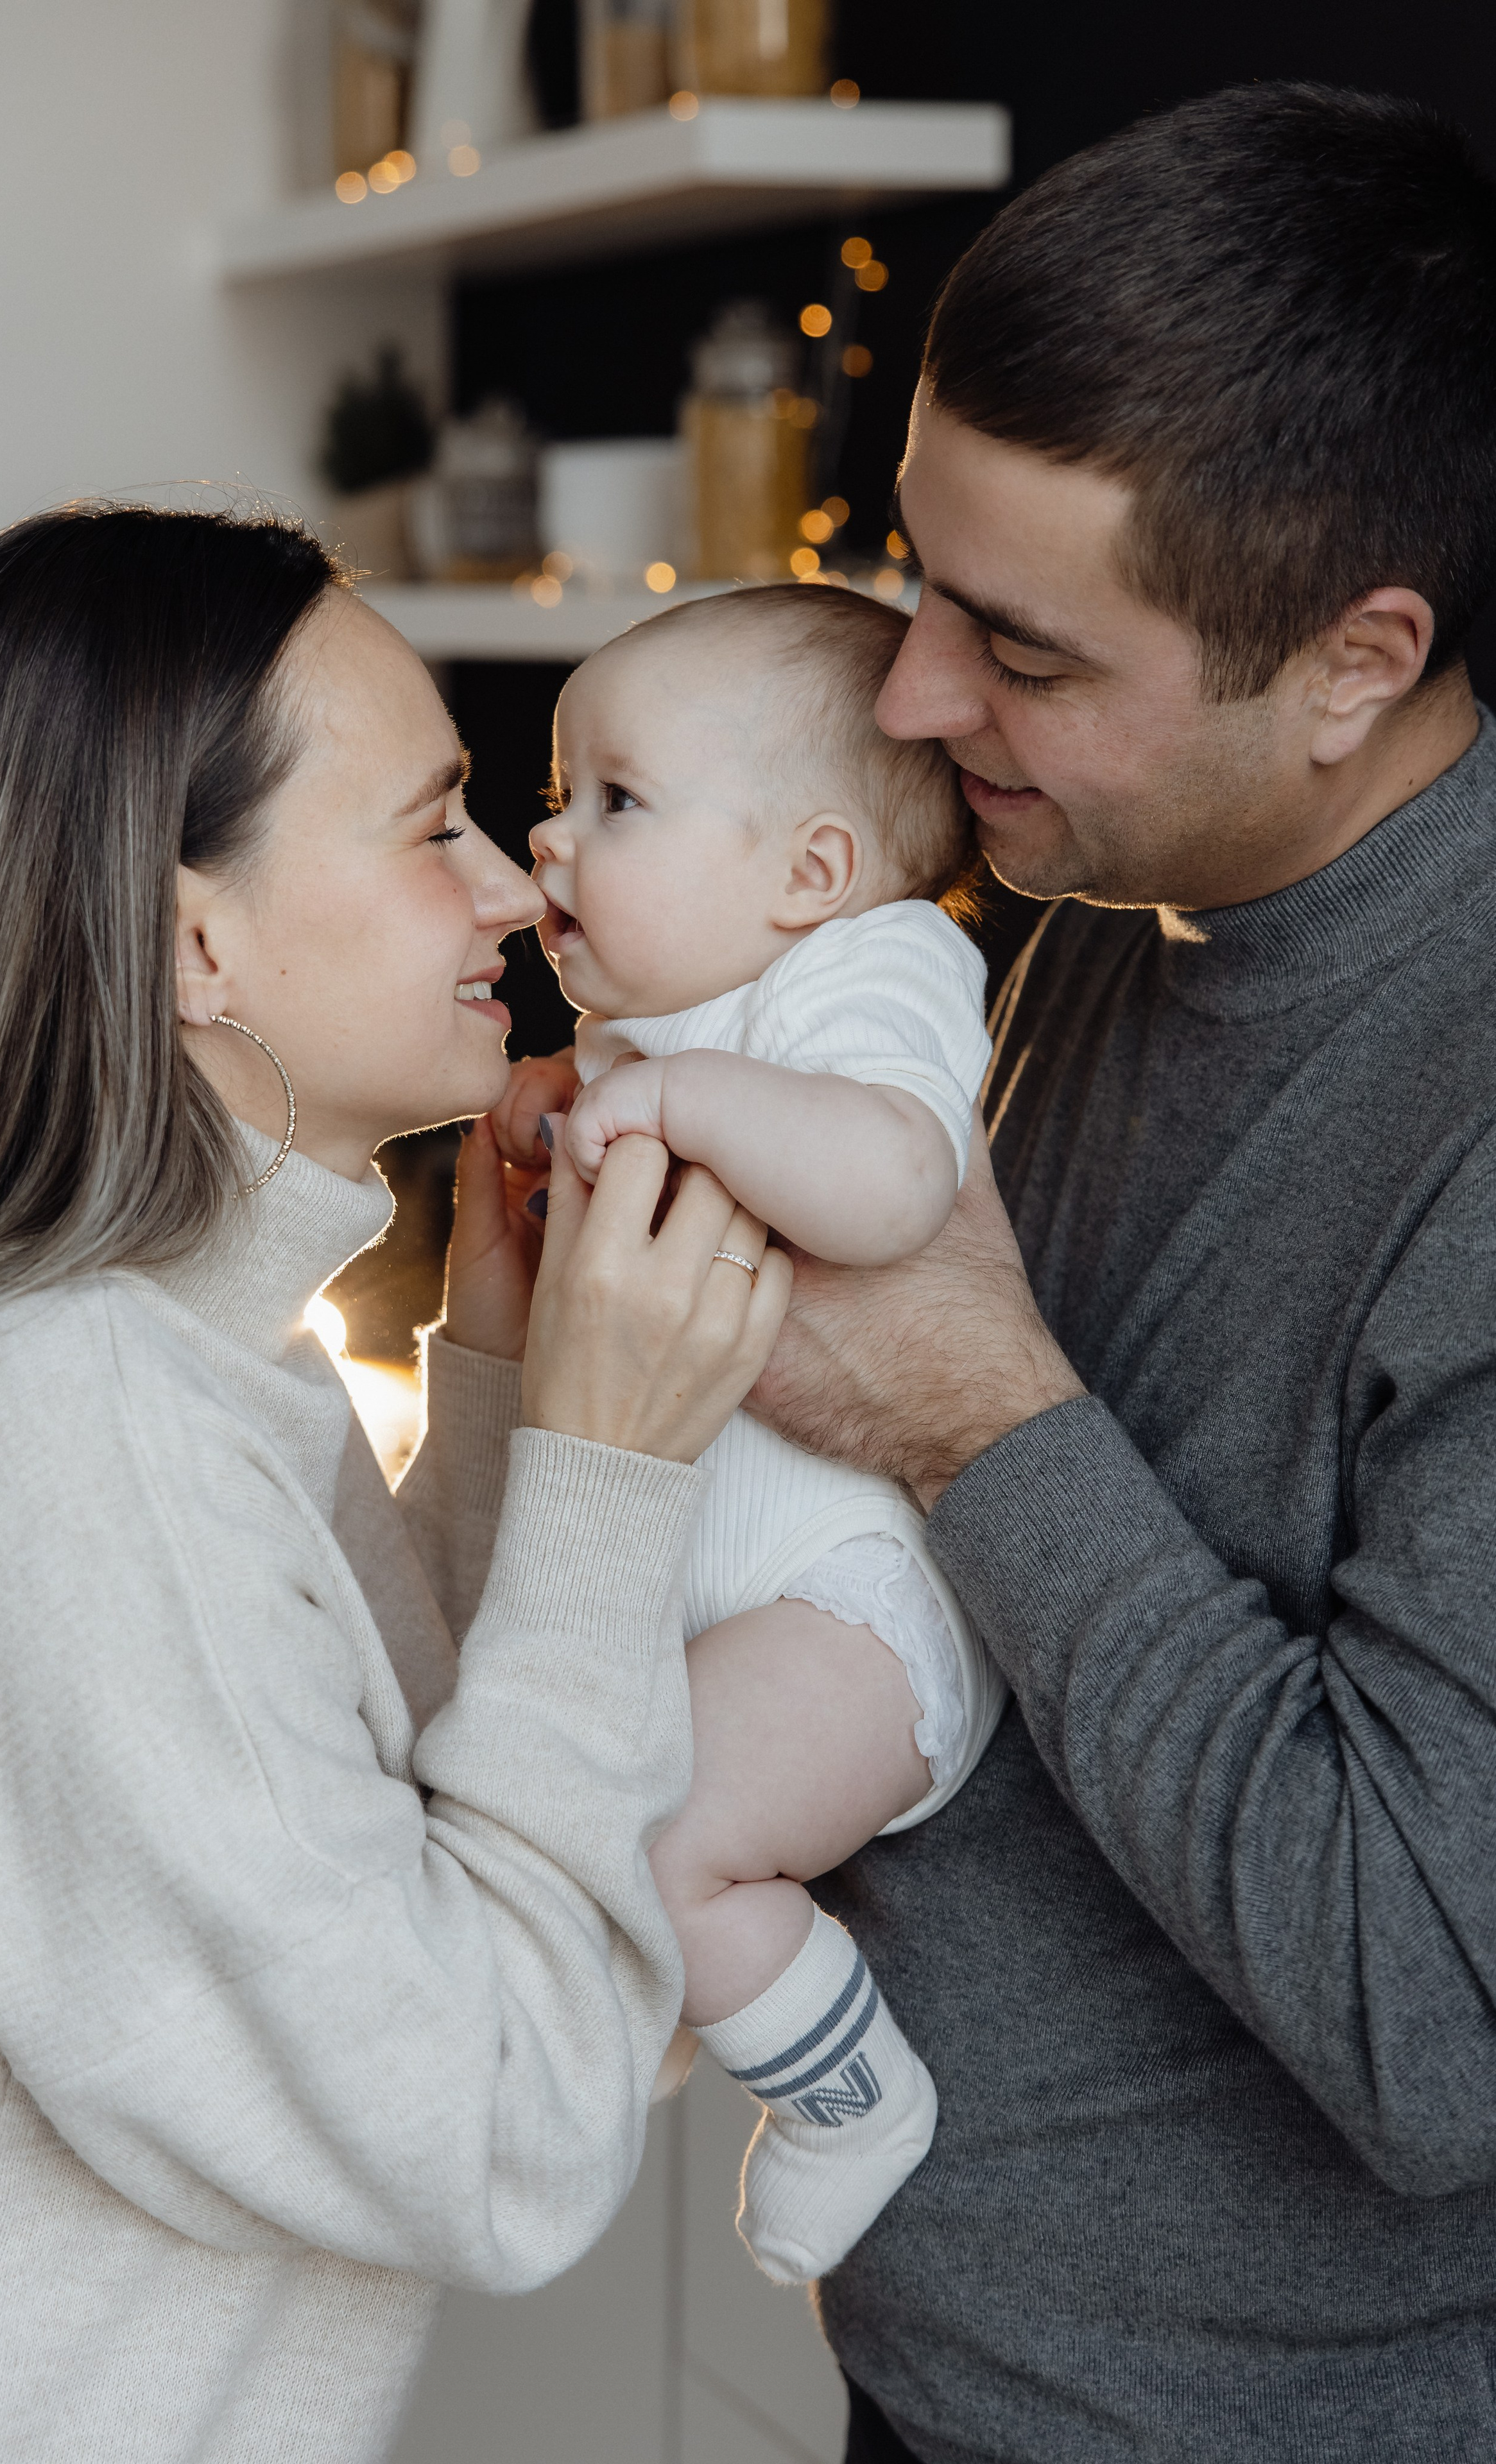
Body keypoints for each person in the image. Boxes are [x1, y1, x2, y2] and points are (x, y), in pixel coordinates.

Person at [0, 502, 789, 2463]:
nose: (516, 898)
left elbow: (418, 1836)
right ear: (194, 938)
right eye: (432, 823)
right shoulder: (64, 1427)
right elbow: (494, 2127)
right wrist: (609, 1484)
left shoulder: (187, 1360)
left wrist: (515, 1372)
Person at [736, 82, 1496, 2464]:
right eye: (914, 581)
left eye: (1022, 651)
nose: (911, 702)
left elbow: (1427, 2021)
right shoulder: (1095, 906)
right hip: (932, 2381)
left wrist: (977, 1411)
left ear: (1358, 660)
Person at [513, 584, 1005, 2286]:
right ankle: (679, 1994)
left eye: (614, 801)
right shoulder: (673, 1012)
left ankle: (857, 2096)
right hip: (737, 1604)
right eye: (559, 794)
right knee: (590, 1811)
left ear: (809, 872)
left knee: (662, 1835)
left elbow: (890, 1179)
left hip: (860, 1612)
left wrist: (672, 1104)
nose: (551, 837)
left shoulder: (874, 970)